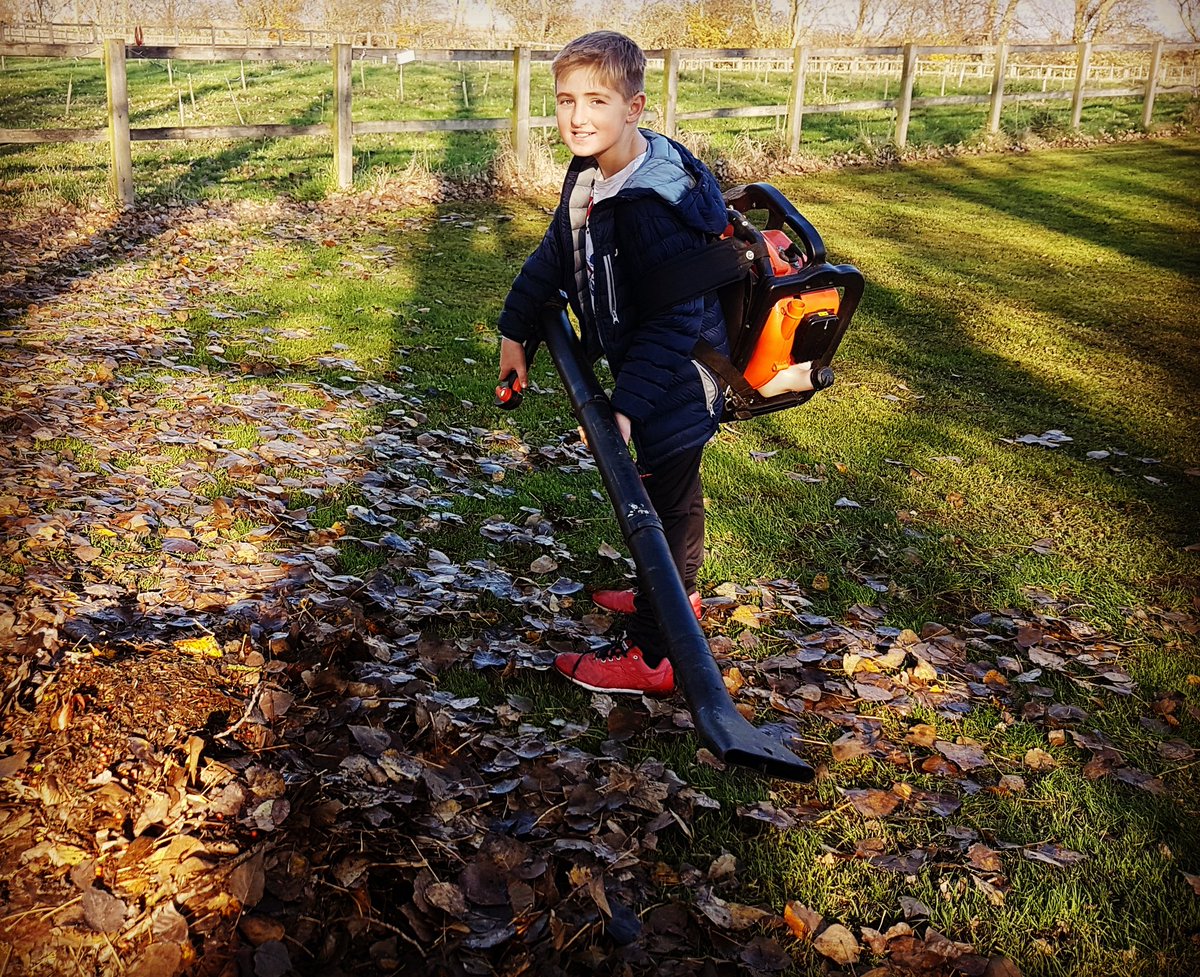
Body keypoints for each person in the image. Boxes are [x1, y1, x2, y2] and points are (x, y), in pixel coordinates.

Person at [496, 31, 729, 697]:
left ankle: (657, 653)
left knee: (663, 509)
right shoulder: (595, 172)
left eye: (597, 100)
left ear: (635, 106)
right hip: (649, 377)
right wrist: (516, 331)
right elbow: (555, 255)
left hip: (674, 384)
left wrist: (626, 408)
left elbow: (673, 323)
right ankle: (669, 597)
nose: (577, 117)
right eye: (566, 99)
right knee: (668, 499)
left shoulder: (650, 206)